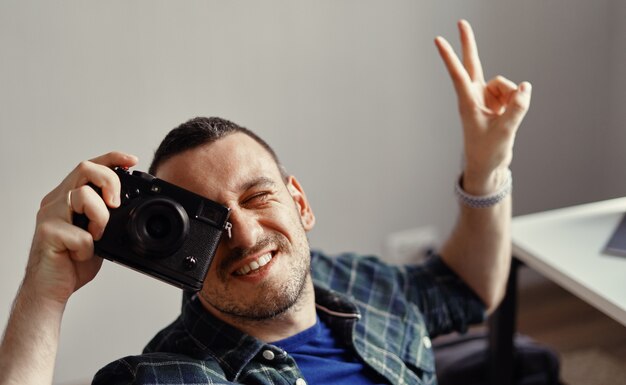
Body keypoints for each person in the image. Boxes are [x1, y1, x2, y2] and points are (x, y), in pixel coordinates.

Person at [0, 20, 531, 385]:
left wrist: (487, 167)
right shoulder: (169, 375)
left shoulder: (363, 285)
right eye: (205, 222)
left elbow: (468, 289)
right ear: (162, 253)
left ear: (299, 201)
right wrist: (43, 298)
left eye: (257, 197)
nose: (246, 236)